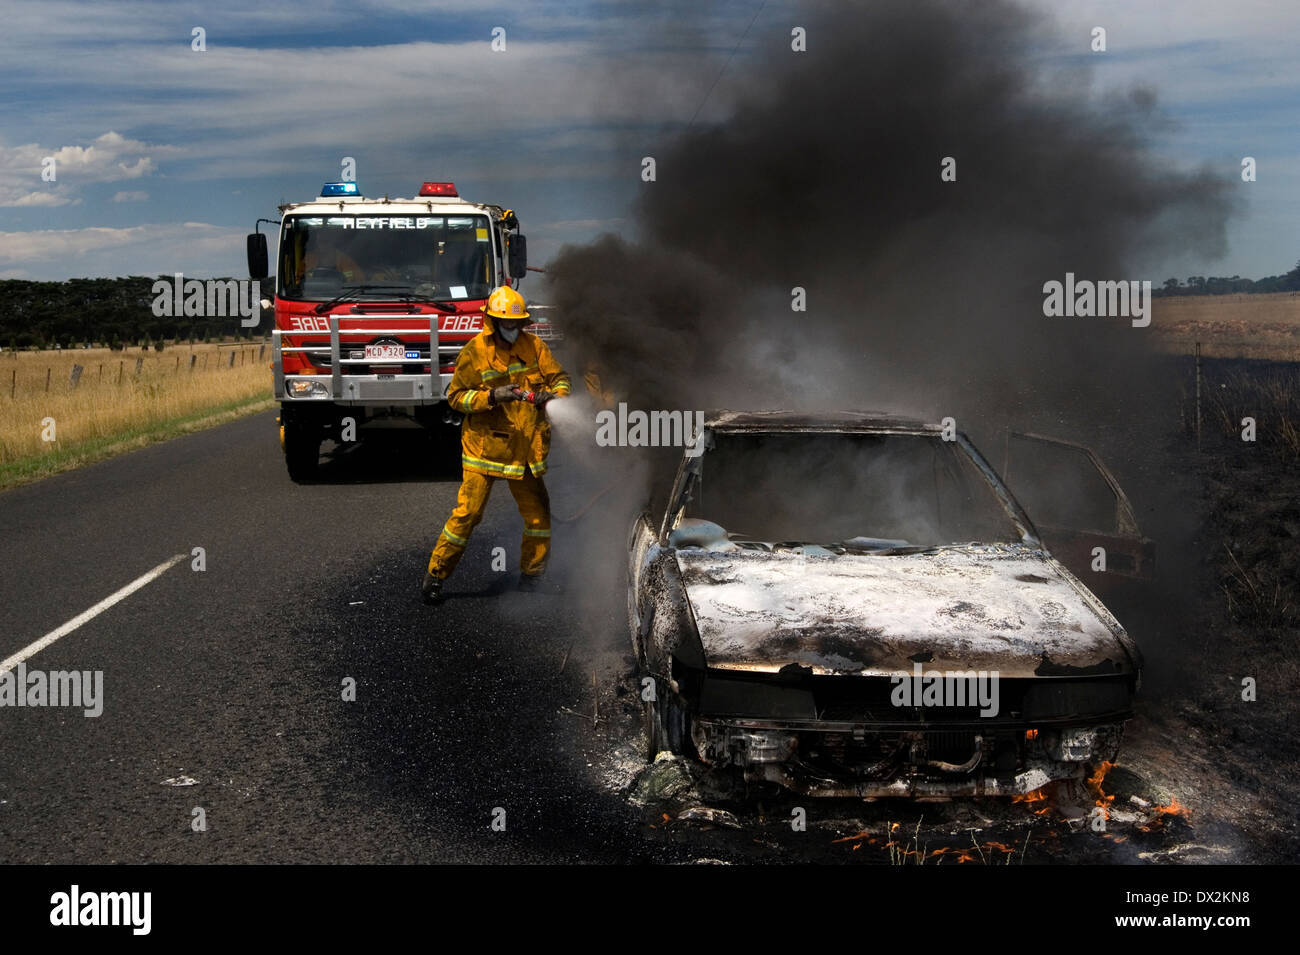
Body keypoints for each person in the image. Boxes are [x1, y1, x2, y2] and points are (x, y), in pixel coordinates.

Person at [421, 285, 571, 604]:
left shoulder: (536, 347)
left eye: (516, 324)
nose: (512, 328)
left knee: (537, 517)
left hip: (525, 450)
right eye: (506, 323)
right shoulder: (475, 352)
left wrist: (554, 395)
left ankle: (533, 577)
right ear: (491, 321)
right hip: (485, 450)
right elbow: (456, 398)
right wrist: (491, 396)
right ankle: (436, 575)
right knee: (468, 514)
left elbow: (560, 378)